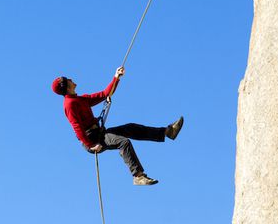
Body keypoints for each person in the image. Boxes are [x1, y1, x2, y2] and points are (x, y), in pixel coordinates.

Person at [51, 66, 183, 185]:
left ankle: (168, 132)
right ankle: (138, 176)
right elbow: (77, 127)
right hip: (92, 139)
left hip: (99, 133)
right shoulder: (69, 104)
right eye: (68, 80)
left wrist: (116, 77)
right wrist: (91, 145)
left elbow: (105, 94)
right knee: (123, 142)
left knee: (130, 128)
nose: (71, 79)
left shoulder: (80, 99)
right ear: (66, 86)